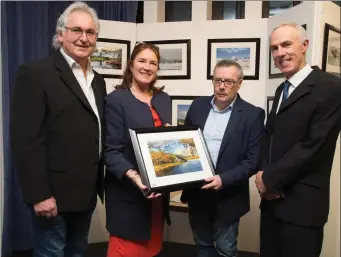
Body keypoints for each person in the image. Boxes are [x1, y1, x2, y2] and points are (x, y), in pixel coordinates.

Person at [10, 2, 106, 256]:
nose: (84, 38)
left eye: (90, 32)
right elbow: (26, 140)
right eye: (76, 30)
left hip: (85, 195)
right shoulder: (36, 73)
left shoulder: (98, 81)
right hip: (52, 197)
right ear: (61, 34)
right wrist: (39, 195)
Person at [255, 22, 341, 257]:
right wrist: (263, 176)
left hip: (302, 207)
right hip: (271, 204)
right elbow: (269, 138)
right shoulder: (282, 89)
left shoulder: (330, 87)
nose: (280, 53)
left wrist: (270, 179)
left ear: (304, 46)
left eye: (286, 45)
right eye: (274, 48)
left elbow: (314, 146)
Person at [180, 60, 265, 257]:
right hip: (198, 193)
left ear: (240, 83)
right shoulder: (198, 105)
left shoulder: (253, 115)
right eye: (217, 80)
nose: (221, 86)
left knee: (225, 249)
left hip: (229, 196)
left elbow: (253, 160)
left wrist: (222, 179)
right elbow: (186, 144)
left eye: (228, 81)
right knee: (202, 246)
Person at [104, 42, 171, 257]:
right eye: (142, 60)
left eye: (153, 63)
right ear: (131, 64)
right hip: (129, 194)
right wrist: (135, 177)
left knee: (153, 248)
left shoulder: (164, 99)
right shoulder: (116, 100)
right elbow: (111, 151)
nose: (147, 67)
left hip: (157, 196)